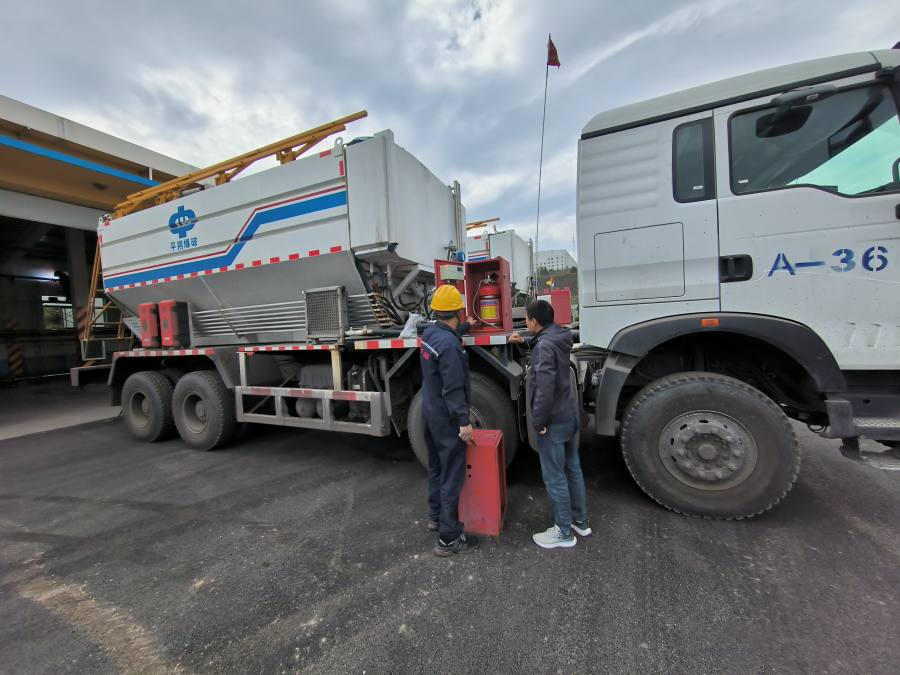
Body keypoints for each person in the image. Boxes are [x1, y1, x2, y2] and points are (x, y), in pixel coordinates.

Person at [509, 299, 589, 549]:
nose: (526, 324)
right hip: (568, 414)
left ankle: (563, 532)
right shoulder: (560, 336)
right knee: (573, 470)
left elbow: (544, 388)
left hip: (552, 420)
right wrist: (525, 342)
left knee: (555, 477)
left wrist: (539, 421)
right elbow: (545, 346)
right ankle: (580, 521)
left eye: (527, 320)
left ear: (534, 321)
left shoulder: (544, 345)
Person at [419, 284, 478, 556]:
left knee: (435, 467)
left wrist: (465, 327)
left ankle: (435, 518)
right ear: (458, 311)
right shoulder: (451, 347)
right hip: (447, 420)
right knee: (452, 475)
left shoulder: (430, 334)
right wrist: (464, 423)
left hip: (430, 414)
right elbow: (453, 388)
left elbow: (448, 334)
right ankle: (448, 538)